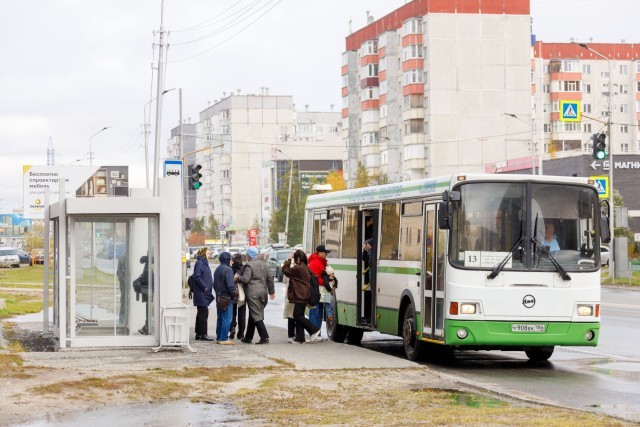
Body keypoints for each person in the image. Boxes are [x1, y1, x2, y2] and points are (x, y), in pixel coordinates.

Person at [282, 250, 321, 344]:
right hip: (304, 294)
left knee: (297, 315)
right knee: (300, 315)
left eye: (295, 259)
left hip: (300, 295)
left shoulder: (298, 268)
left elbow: (285, 270)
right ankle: (300, 338)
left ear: (298, 259)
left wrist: (288, 259)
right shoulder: (306, 267)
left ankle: (314, 330)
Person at [238, 246, 275, 344]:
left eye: (246, 255)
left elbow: (245, 279)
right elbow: (270, 280)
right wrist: (271, 292)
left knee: (256, 315)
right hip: (263, 293)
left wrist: (237, 278)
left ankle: (264, 337)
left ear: (249, 256)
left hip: (252, 293)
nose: (246, 257)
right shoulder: (264, 264)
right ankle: (248, 337)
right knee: (253, 314)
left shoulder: (249, 266)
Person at [192, 247, 215, 341]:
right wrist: (205, 287)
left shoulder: (203, 262)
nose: (210, 254)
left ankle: (198, 333)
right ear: (203, 253)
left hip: (203, 292)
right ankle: (203, 334)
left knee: (201, 313)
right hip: (201, 292)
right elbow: (197, 276)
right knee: (204, 312)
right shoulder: (200, 263)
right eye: (208, 252)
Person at [213, 252, 236, 345]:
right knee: (227, 318)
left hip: (219, 297)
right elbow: (230, 285)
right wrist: (234, 294)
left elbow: (214, 284)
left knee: (220, 318)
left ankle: (219, 337)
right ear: (227, 259)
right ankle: (223, 338)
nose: (231, 260)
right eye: (230, 259)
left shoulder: (217, 269)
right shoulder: (228, 269)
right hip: (227, 297)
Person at [308, 245, 331, 333]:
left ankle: (317, 332)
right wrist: (325, 282)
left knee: (319, 313)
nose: (326, 255)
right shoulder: (315, 263)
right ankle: (314, 332)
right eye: (326, 253)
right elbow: (314, 278)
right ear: (320, 253)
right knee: (315, 312)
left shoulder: (321, 262)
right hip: (315, 291)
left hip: (320, 291)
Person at [229, 253, 247, 340]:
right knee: (242, 314)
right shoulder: (244, 269)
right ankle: (241, 333)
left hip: (232, 293)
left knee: (232, 312)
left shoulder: (230, 269)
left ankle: (232, 328)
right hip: (242, 293)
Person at [362, 238, 374, 320]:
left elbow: (369, 263)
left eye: (367, 244)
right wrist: (364, 250)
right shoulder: (370, 252)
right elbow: (364, 258)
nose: (366, 246)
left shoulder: (373, 253)